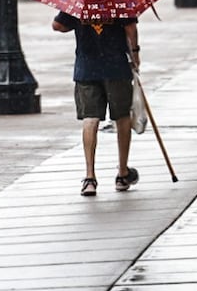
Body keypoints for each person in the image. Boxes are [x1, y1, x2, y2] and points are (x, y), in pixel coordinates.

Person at [52, 11, 140, 196]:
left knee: (90, 118)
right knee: (122, 116)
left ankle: (90, 178)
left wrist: (79, 23)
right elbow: (130, 27)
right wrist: (135, 54)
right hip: (116, 66)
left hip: (86, 67)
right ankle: (123, 174)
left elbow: (57, 25)